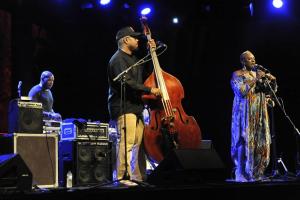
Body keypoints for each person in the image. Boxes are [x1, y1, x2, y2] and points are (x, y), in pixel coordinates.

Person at [107, 26, 161, 182]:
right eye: (134, 37)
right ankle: (121, 178)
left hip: (136, 107)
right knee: (127, 143)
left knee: (138, 144)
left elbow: (146, 73)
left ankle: (136, 178)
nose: (137, 40)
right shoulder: (117, 59)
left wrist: (151, 51)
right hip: (123, 106)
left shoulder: (134, 58)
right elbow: (128, 83)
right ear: (125, 40)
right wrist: (150, 89)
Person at [230, 50, 277, 182]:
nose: (253, 61)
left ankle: (257, 173)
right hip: (244, 112)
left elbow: (268, 91)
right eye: (250, 59)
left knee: (260, 141)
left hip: (258, 113)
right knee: (243, 139)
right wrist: (256, 78)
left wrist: (271, 81)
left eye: (254, 59)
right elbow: (241, 91)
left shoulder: (258, 73)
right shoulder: (237, 74)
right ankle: (241, 173)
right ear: (243, 61)